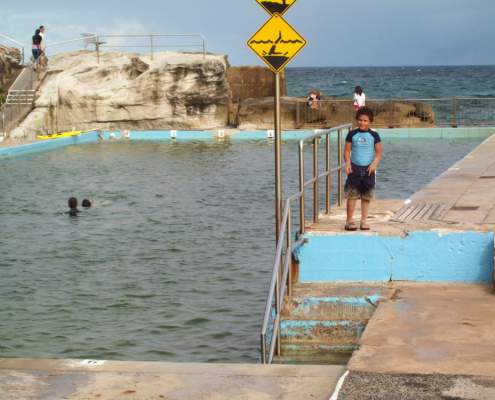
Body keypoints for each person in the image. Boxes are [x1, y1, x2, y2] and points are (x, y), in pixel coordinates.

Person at [344, 107, 382, 231]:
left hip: (368, 170)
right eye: (360, 120)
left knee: (366, 196)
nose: (362, 123)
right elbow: (347, 151)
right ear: (356, 120)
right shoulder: (352, 134)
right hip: (354, 168)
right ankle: (349, 221)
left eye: (365, 121)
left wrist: (374, 164)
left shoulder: (374, 135)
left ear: (370, 121)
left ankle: (363, 221)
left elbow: (378, 153)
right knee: (352, 194)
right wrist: (348, 162)